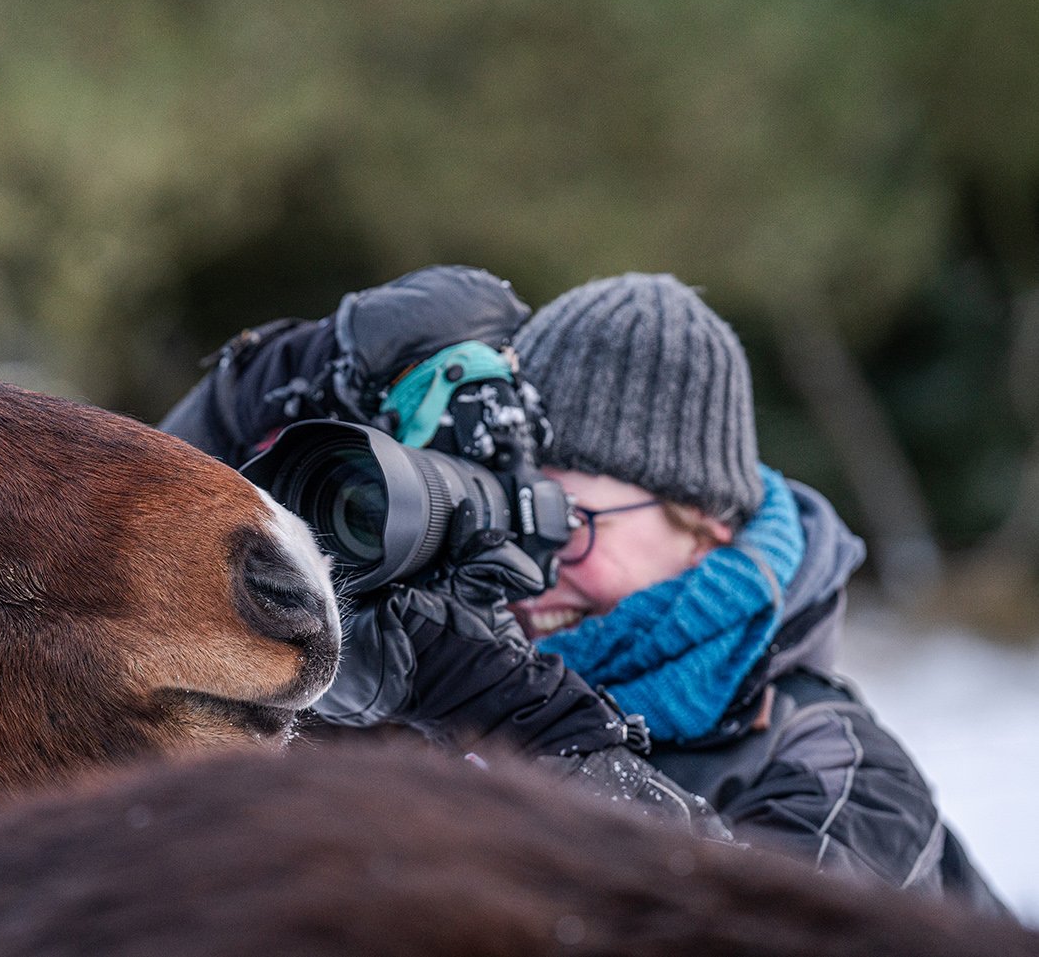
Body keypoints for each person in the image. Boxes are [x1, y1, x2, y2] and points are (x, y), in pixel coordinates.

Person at [160, 267, 1006, 913]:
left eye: (569, 519)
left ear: (704, 521)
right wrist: (255, 392)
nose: (533, 566)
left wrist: (518, 715)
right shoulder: (429, 705)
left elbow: (736, 927)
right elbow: (122, 665)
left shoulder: (842, 775)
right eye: (508, 516)